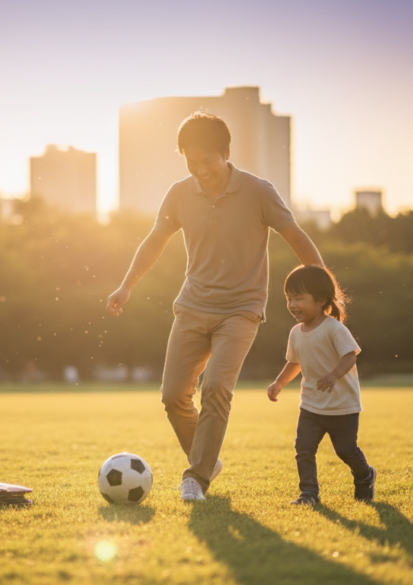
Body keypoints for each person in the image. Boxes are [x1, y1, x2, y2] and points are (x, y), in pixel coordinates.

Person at [107, 111, 324, 502]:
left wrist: (326, 291)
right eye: (193, 163)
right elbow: (155, 240)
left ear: (227, 152)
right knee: (173, 395)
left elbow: (296, 237)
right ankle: (206, 459)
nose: (201, 170)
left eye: (209, 161)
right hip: (192, 305)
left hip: (241, 308)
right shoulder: (179, 194)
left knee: (216, 388)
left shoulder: (259, 192)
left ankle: (197, 476)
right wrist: (126, 286)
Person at [266, 265, 376, 505]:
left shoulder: (334, 329)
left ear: (320, 299)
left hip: (342, 406)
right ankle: (309, 493)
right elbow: (294, 363)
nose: (293, 304)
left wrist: (334, 375)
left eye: (299, 298)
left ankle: (365, 476)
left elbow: (351, 355)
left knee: (346, 451)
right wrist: (279, 383)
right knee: (303, 450)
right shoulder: (296, 332)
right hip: (311, 405)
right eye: (289, 298)